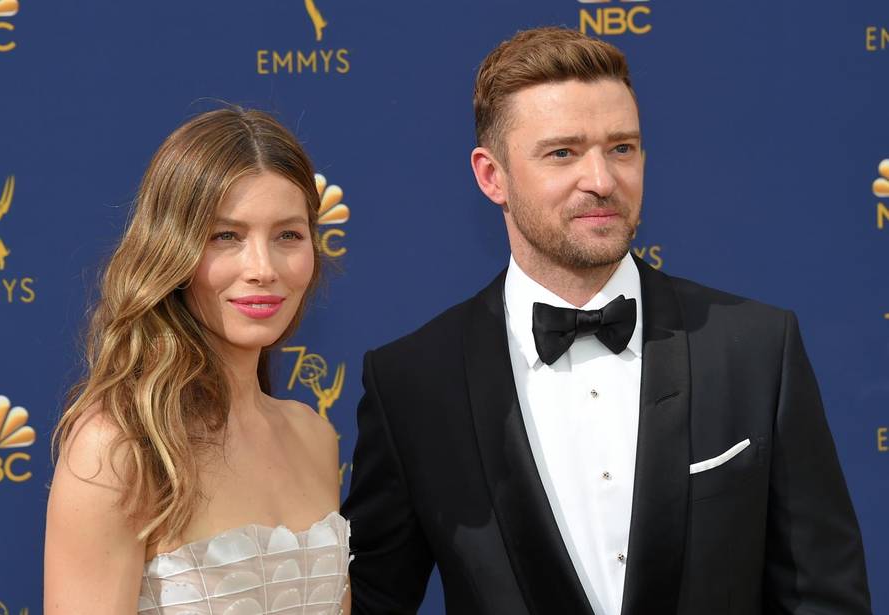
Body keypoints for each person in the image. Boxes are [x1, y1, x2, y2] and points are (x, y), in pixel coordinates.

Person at [341, 27, 871, 615]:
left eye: (621, 148)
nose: (601, 179)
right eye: (562, 152)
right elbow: (373, 601)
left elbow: (824, 596)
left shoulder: (756, 349)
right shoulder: (413, 383)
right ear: (492, 177)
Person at [45, 108, 351, 615]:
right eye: (225, 236)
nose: (262, 269)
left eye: (288, 236)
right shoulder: (122, 448)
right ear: (171, 252)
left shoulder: (313, 436)